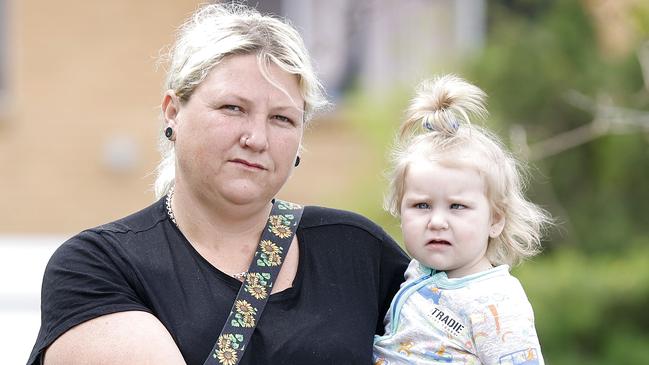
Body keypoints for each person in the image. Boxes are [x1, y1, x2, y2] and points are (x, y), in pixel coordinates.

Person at [27, 3, 409, 365]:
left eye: (282, 119)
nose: (256, 138)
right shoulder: (99, 267)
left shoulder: (357, 251)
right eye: (233, 108)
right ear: (172, 112)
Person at [373, 75, 552, 365]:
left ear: (495, 219)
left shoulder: (496, 302)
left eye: (457, 206)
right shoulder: (415, 272)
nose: (437, 221)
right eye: (421, 205)